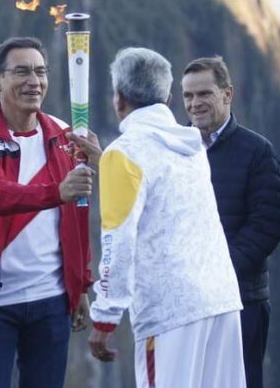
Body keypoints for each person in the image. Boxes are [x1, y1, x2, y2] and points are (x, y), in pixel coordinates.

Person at [0, 37, 98, 388]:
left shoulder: (66, 137)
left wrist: (81, 284)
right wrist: (57, 191)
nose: (34, 82)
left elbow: (77, 217)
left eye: (40, 72)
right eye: (22, 72)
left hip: (51, 299)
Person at [89, 47, 245, 388]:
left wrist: (105, 316)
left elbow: (118, 240)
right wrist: (107, 162)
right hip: (221, 300)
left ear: (119, 98)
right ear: (169, 97)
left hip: (169, 311)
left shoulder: (125, 154)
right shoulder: (191, 146)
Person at [181, 56, 280, 388]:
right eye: (188, 96)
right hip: (183, 302)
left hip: (240, 301)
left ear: (228, 94)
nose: (194, 103)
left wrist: (216, 271)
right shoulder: (173, 149)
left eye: (204, 94)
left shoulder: (257, 151)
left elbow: (265, 227)